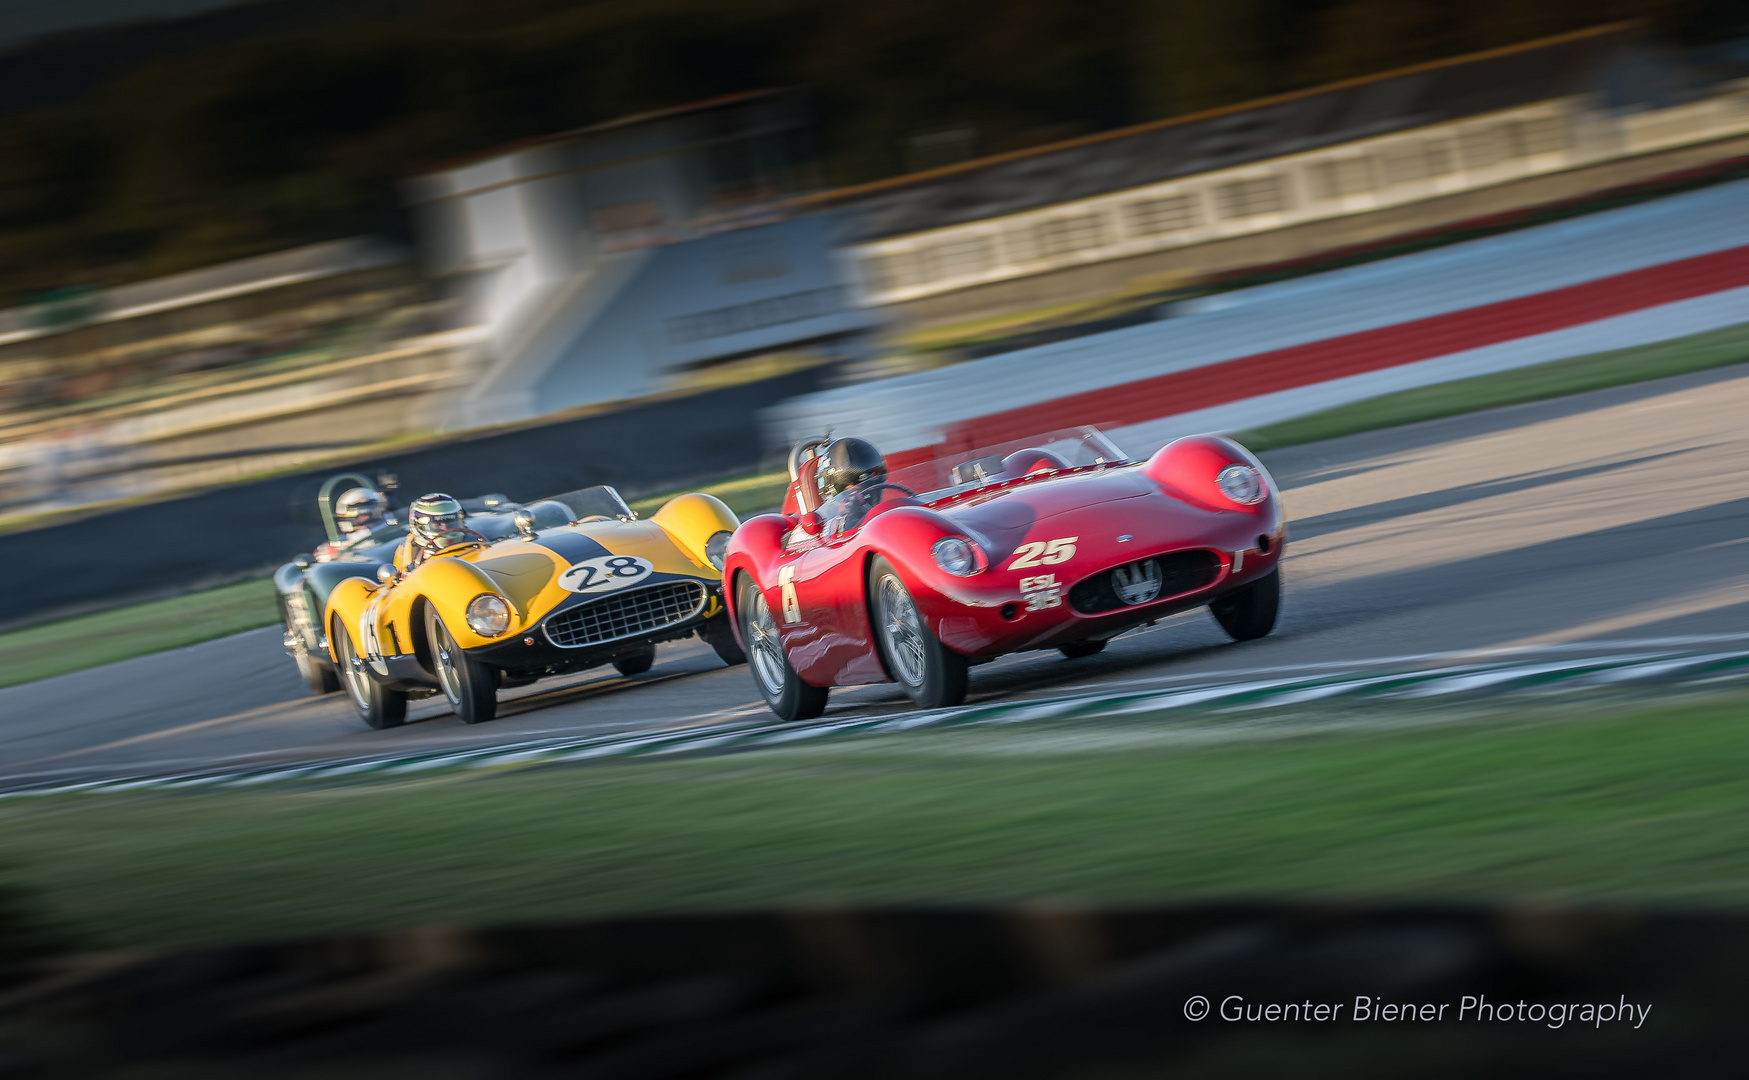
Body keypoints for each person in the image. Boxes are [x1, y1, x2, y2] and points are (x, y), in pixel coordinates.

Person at [814, 437, 904, 535]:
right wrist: (847, 524)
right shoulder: (819, 528)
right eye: (851, 493)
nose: (860, 498)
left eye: (867, 490)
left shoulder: (890, 512)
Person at [313, 486, 396, 561]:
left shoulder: (397, 531)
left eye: (370, 514)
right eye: (359, 516)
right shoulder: (335, 546)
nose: (365, 518)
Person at [397, 492, 473, 570]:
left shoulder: (475, 542)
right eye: (437, 525)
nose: (445, 529)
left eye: (450, 523)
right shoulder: (406, 553)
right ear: (419, 526)